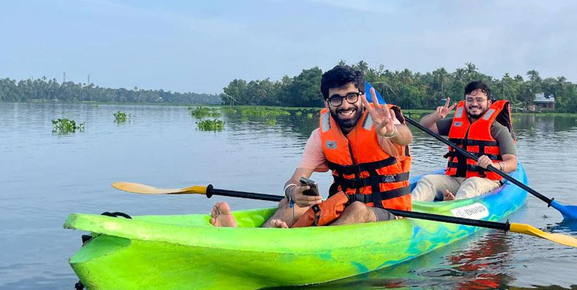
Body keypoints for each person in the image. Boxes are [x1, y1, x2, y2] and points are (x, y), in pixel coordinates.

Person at [211, 65, 413, 228]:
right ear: (327, 103)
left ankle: (310, 244)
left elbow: (406, 137)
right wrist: (293, 193)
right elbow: (293, 181)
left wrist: (392, 131)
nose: (344, 105)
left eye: (351, 96)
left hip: (391, 213)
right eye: (336, 99)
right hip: (344, 206)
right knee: (292, 204)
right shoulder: (320, 136)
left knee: (358, 210)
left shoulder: (382, 121)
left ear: (361, 97)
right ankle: (255, 238)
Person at [410, 81, 517, 202]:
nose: (474, 104)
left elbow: (512, 163)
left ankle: (452, 208)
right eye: (470, 100)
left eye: (479, 100)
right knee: (427, 180)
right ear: (465, 102)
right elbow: (425, 126)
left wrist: (494, 165)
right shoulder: (455, 123)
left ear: (488, 103)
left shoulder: (498, 129)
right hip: (456, 179)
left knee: (471, 183)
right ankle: (407, 211)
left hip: (486, 180)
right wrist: (436, 116)